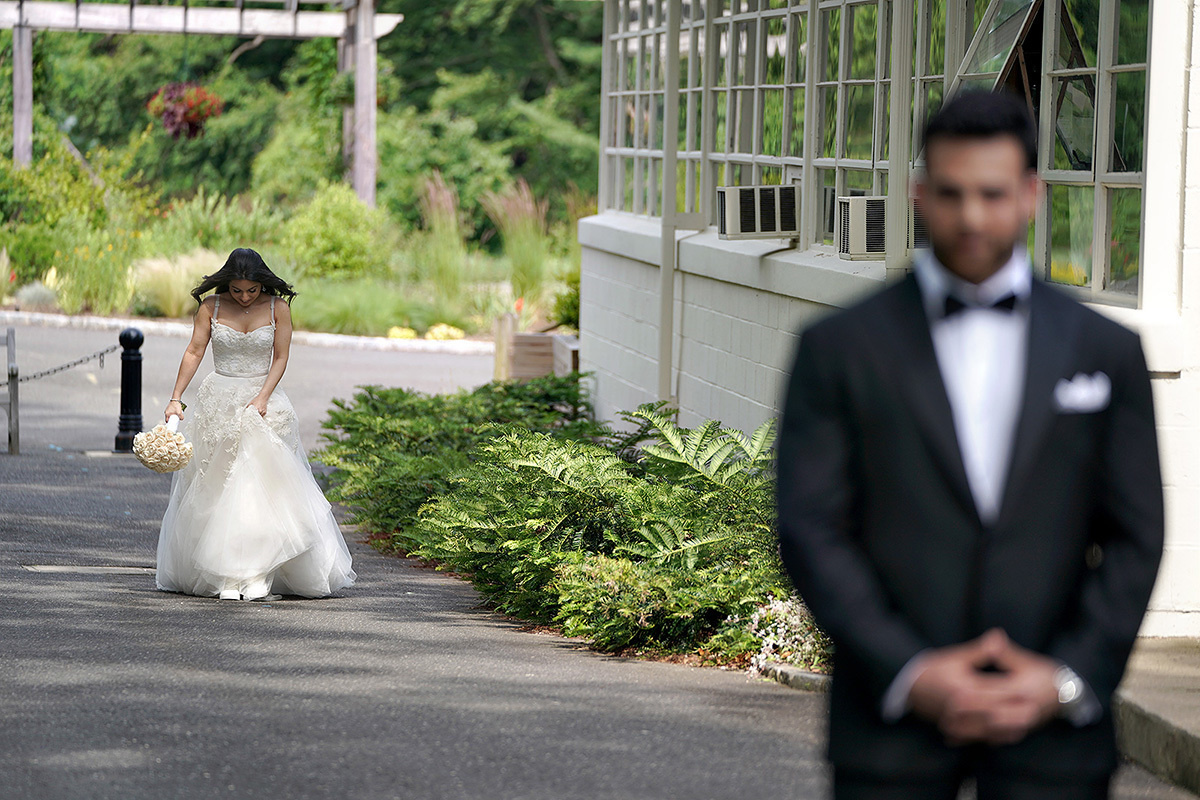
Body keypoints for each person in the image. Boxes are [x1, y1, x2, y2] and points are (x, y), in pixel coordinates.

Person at [776, 91, 1163, 799]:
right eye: (951, 194)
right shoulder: (838, 349)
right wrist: (910, 670)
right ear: (920, 195)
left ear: (1030, 195)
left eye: (992, 194)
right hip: (889, 733)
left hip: (1053, 740)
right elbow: (810, 527)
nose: (972, 217)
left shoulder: (1107, 351)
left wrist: (1066, 677)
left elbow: (1137, 535)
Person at [156, 248, 356, 601]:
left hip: (263, 399)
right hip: (219, 398)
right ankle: (225, 573)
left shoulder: (279, 308)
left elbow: (281, 357)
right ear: (227, 284)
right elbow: (193, 351)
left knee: (259, 487)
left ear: (262, 283)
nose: (245, 297)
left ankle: (256, 573)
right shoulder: (211, 307)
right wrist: (176, 397)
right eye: (237, 290)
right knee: (216, 486)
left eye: (251, 290)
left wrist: (263, 396)